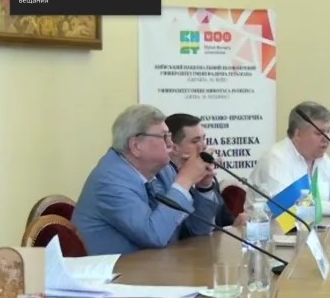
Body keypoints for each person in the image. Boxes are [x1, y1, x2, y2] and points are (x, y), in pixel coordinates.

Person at [73, 105, 221, 255]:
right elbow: (154, 235)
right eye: (164, 137)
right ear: (136, 146)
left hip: (158, 263)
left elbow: (197, 230)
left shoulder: (164, 170)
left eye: (169, 136)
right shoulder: (109, 182)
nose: (171, 143)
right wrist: (185, 180)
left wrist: (204, 186)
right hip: (118, 268)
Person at [246, 101, 330, 216]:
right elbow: (287, 208)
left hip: (313, 233)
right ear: (298, 134)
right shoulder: (276, 158)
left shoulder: (321, 159)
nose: (326, 138)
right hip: (269, 235)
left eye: (328, 131)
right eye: (319, 133)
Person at [165, 113, 249, 229]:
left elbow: (223, 221)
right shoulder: (167, 182)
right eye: (195, 141)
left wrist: (236, 225)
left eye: (204, 139)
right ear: (174, 148)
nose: (203, 146)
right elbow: (188, 232)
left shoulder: (207, 175)